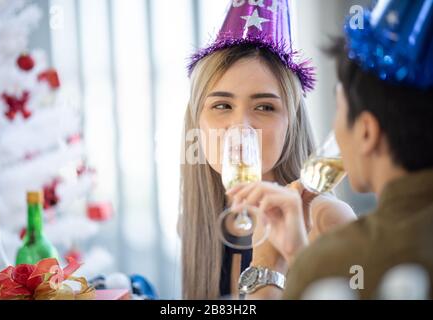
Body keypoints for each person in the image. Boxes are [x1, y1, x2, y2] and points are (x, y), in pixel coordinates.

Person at [229, 0, 433, 299]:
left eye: (339, 107)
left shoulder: (341, 257)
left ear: (366, 131)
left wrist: (268, 267)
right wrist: (300, 255)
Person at [179, 0, 356, 300]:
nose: (241, 128)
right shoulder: (195, 221)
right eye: (222, 106)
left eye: (264, 107)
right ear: (196, 121)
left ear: (292, 123)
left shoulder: (327, 219)